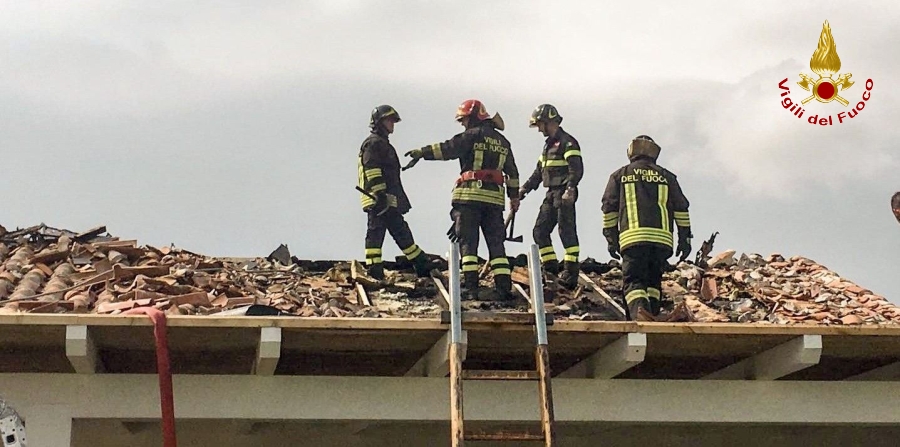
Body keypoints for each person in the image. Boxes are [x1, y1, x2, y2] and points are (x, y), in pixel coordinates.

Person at [404, 99, 520, 300]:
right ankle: (503, 288)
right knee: (497, 246)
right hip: (494, 202)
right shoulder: (503, 141)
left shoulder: (471, 136)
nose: (463, 124)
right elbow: (513, 173)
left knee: (468, 244)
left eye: (464, 120)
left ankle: (471, 287)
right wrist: (514, 197)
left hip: (469, 199)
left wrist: (422, 152)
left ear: (474, 118)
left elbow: (448, 148)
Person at [601, 135, 692, 320]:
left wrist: (611, 239)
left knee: (634, 282)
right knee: (653, 283)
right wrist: (685, 239)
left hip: (633, 239)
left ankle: (640, 317)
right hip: (662, 242)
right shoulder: (667, 176)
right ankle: (652, 315)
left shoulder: (620, 175)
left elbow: (609, 209)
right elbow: (681, 209)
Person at [357, 105, 429, 280]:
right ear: (379, 122)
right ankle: (376, 269)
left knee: (399, 231)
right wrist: (380, 193)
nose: (392, 124)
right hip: (378, 199)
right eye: (389, 120)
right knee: (378, 232)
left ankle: (420, 263)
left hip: (386, 198)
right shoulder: (374, 143)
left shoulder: (381, 143)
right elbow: (372, 168)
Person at [518, 104, 584, 289]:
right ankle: (550, 269)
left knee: (566, 231)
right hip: (551, 192)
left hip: (564, 191)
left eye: (540, 125)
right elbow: (538, 173)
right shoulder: (548, 146)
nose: (539, 129)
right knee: (540, 231)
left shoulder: (568, 142)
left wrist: (570, 188)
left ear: (549, 122)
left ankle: (570, 273)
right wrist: (524, 189)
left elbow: (576, 169)